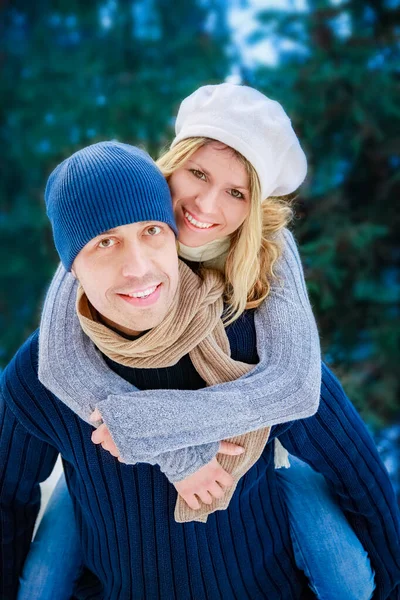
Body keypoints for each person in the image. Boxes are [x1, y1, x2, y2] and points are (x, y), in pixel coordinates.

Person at [0, 98, 395, 597]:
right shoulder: (38, 370)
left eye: (151, 233)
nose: (206, 207)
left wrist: (155, 425)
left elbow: (350, 463)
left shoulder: (254, 338)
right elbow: (6, 494)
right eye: (104, 243)